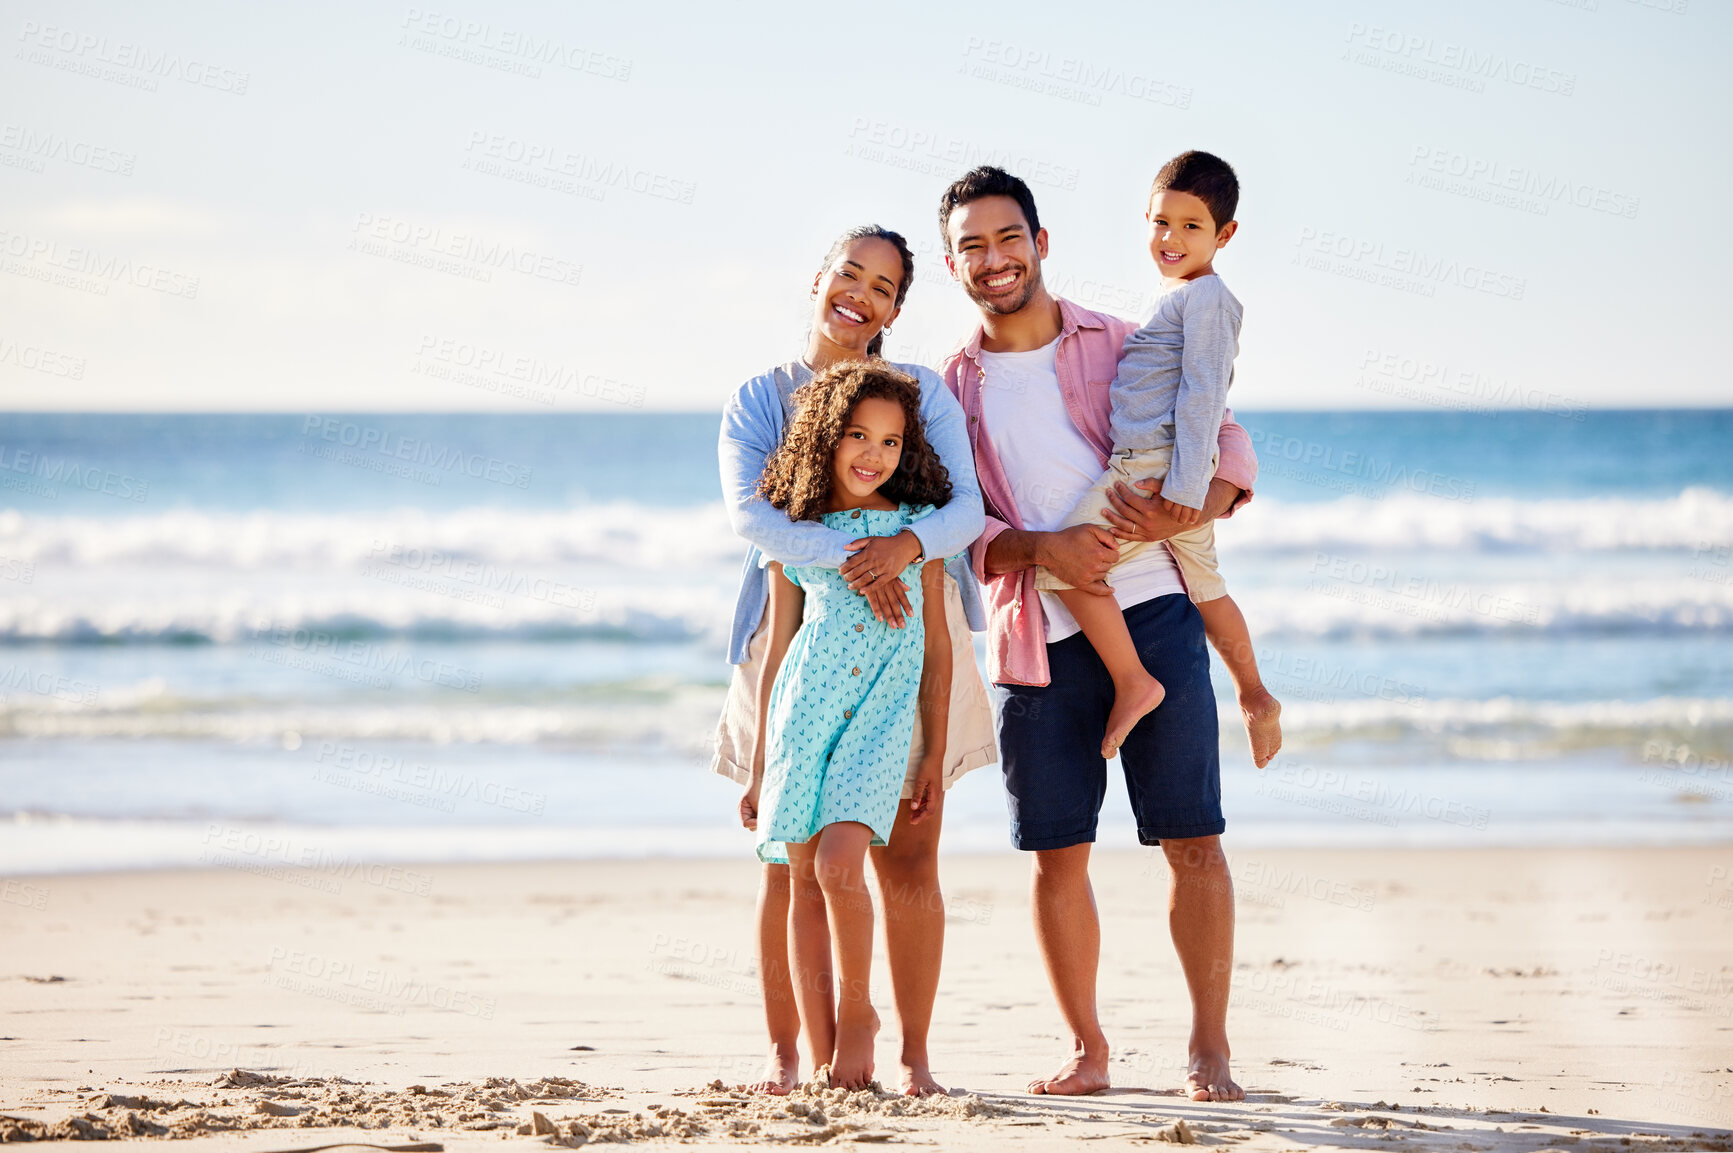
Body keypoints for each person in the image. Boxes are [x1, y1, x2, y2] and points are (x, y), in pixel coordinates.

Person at [936, 166, 1258, 1101]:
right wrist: (1042, 545)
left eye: (1007, 239)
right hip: (1033, 634)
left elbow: (1223, 435)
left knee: (1193, 837)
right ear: (957, 266)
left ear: (1040, 243)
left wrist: (1183, 512)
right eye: (972, 247)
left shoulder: (1120, 339)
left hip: (1153, 611)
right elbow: (961, 532)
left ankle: (1208, 1046)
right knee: (1056, 850)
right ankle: (1088, 1047)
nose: (992, 260)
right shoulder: (947, 393)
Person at [712, 225, 992, 1096]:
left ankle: (910, 1052)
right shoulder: (762, 398)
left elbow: (965, 510)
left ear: (897, 307)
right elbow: (754, 522)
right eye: (848, 274)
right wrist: (853, 558)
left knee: (908, 853)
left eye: (882, 286)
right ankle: (787, 1048)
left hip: (908, 625)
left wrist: (899, 547)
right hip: (796, 640)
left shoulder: (919, 393)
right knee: (787, 859)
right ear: (818, 279)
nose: (860, 295)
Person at [742, 360, 955, 1091]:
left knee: (838, 863)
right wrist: (756, 761)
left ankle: (861, 1015)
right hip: (802, 718)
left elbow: (937, 646)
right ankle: (819, 1045)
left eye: (892, 442)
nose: (874, 453)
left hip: (880, 722)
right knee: (801, 876)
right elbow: (779, 646)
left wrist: (932, 750)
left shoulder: (916, 532)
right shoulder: (794, 536)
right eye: (859, 435)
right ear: (826, 437)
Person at [1033, 150, 1282, 765]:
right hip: (1163, 467)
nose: (1171, 238)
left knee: (1060, 565)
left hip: (1151, 470)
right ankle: (1255, 696)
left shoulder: (1209, 300)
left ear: (1224, 235)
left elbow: (1205, 395)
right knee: (1205, 587)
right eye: (1160, 222)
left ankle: (1135, 681)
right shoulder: (1176, 296)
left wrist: (1185, 490)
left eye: (1191, 226)